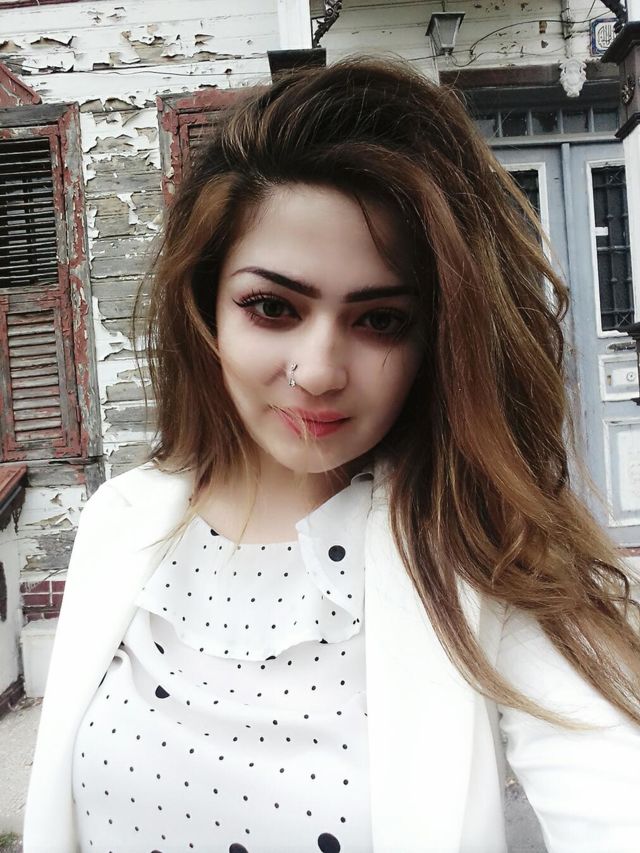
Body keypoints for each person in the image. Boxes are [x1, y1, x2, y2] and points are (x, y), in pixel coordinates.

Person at [23, 54, 640, 853]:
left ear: (436, 340)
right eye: (272, 306)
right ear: (205, 304)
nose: (318, 371)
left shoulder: (487, 558)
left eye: (380, 320)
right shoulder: (122, 521)